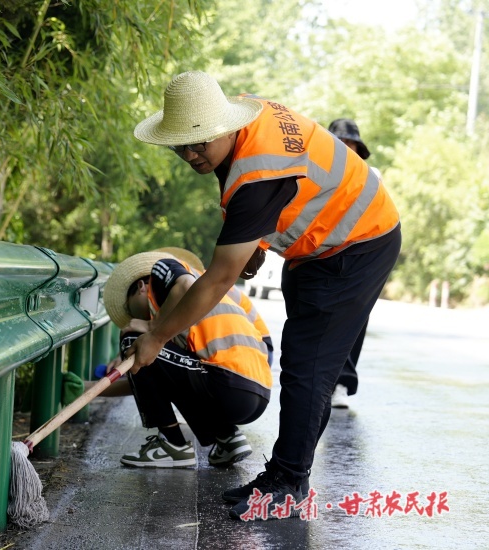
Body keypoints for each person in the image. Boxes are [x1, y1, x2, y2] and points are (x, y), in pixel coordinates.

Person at [129, 71, 401, 520]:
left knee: (308, 367)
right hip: (317, 246)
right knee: (306, 365)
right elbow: (279, 191)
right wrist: (256, 242)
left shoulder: (257, 174)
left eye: (199, 143)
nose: (190, 155)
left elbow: (219, 278)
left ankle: (288, 484)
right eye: (180, 146)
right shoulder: (242, 118)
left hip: (356, 243)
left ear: (224, 126)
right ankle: (283, 475)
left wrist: (156, 337)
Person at [102, 248, 273, 469]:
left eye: (128, 307)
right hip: (256, 392)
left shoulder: (163, 268)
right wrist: (90, 389)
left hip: (228, 383)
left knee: (133, 340)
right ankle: (227, 436)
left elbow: (185, 285)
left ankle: (172, 445)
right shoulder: (184, 316)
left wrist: (151, 327)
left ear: (141, 286)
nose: (132, 317)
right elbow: (159, 381)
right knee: (156, 353)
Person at [326, 118, 378, 409]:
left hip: (361, 255)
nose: (345, 146)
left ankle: (342, 383)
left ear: (358, 147)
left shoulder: (372, 176)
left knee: (354, 319)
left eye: (350, 142)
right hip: (321, 254)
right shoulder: (316, 171)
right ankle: (319, 382)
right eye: (340, 141)